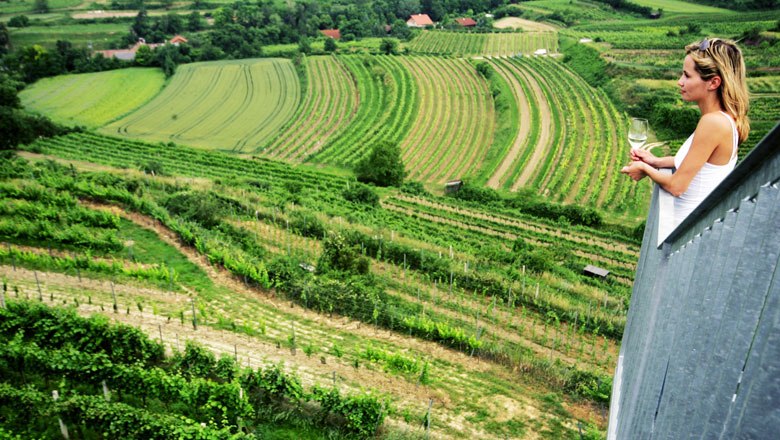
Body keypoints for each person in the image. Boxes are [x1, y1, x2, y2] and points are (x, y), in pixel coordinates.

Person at [621, 38, 750, 228]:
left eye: (687, 76)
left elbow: (677, 186)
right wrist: (655, 161)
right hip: (691, 228)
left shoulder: (713, 123)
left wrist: (644, 170)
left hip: (681, 230)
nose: (679, 82)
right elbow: (699, 164)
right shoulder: (723, 119)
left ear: (713, 82)